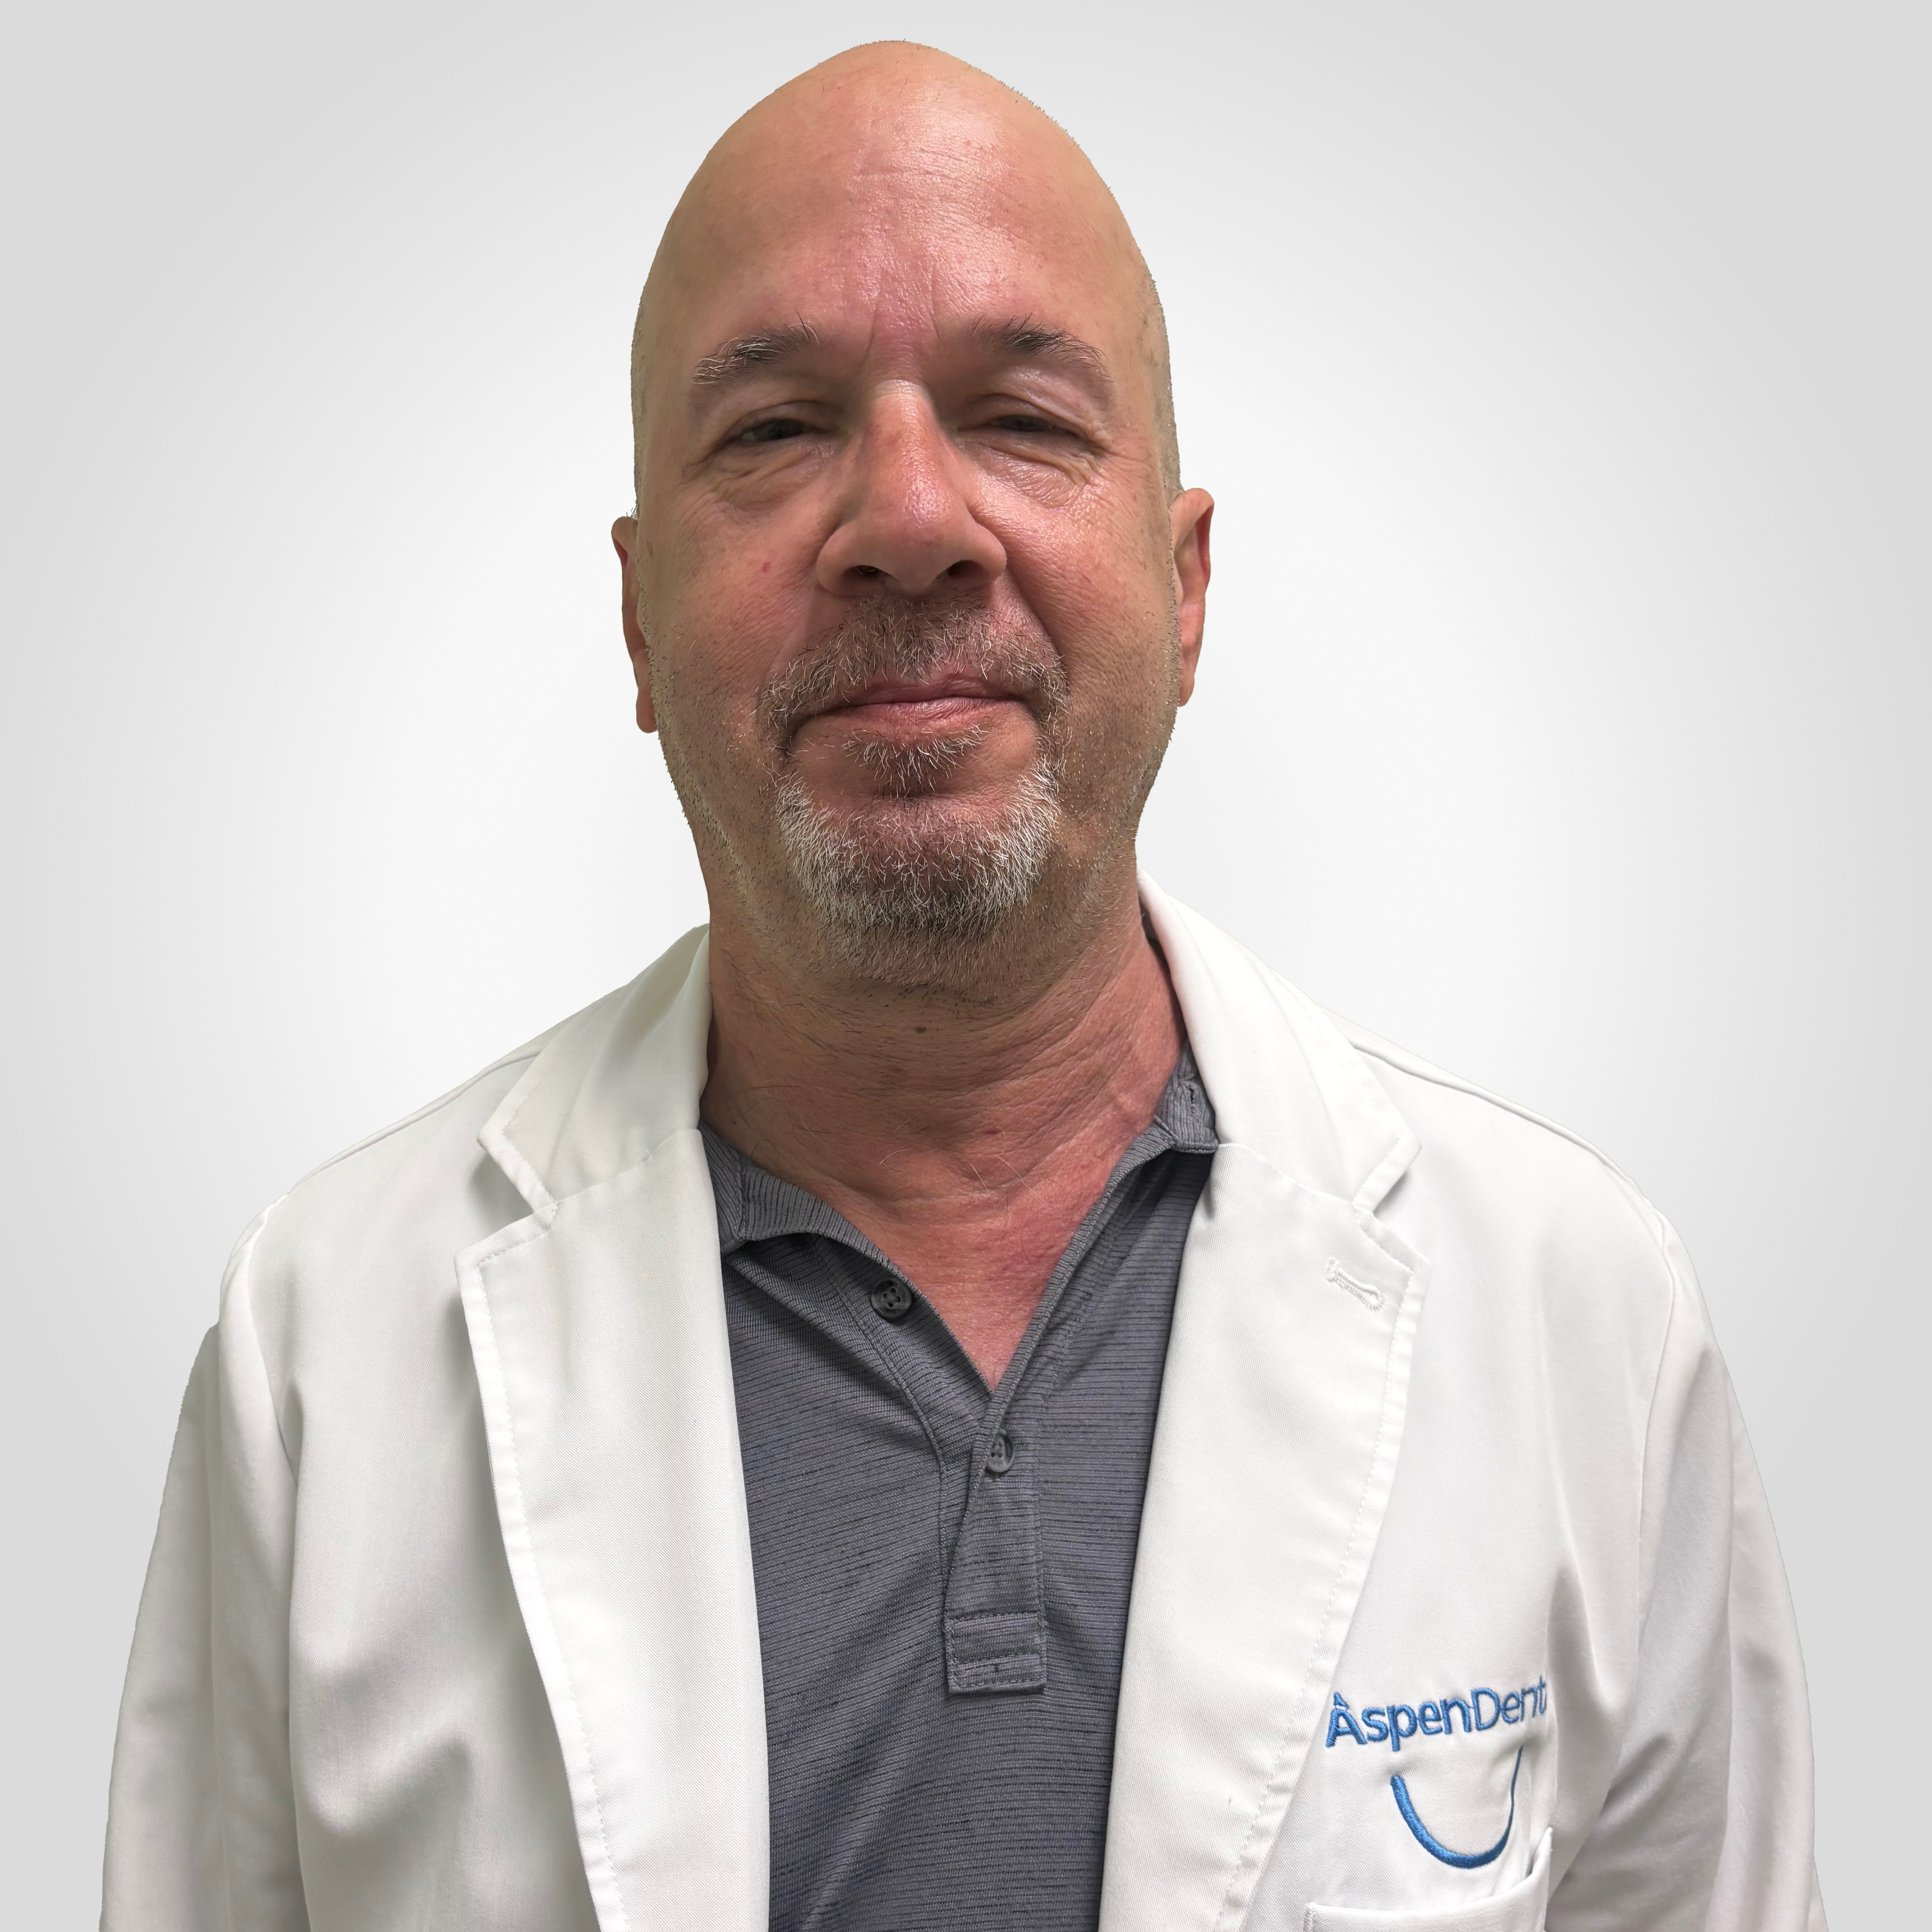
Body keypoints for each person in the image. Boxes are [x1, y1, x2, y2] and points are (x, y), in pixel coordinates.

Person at [101, 41, 1825, 1932]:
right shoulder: (328, 1344)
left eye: (1020, 416)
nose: (910, 519)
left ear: (1186, 588)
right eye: (776, 429)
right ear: (638, 620)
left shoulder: (1578, 1319)